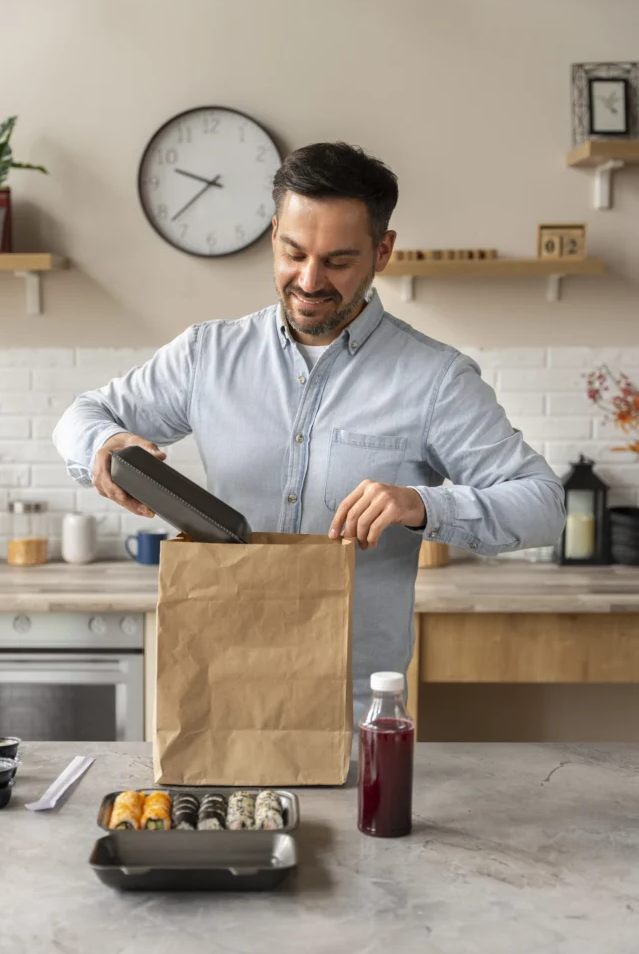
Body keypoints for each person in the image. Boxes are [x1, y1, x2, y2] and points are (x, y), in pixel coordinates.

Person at [53, 141, 565, 725]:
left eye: (339, 261)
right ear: (274, 234)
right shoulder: (207, 355)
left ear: (384, 250)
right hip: (216, 689)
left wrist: (422, 503)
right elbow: (82, 415)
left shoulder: (436, 380)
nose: (309, 279)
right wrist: (104, 446)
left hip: (351, 707)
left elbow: (544, 505)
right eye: (294, 252)